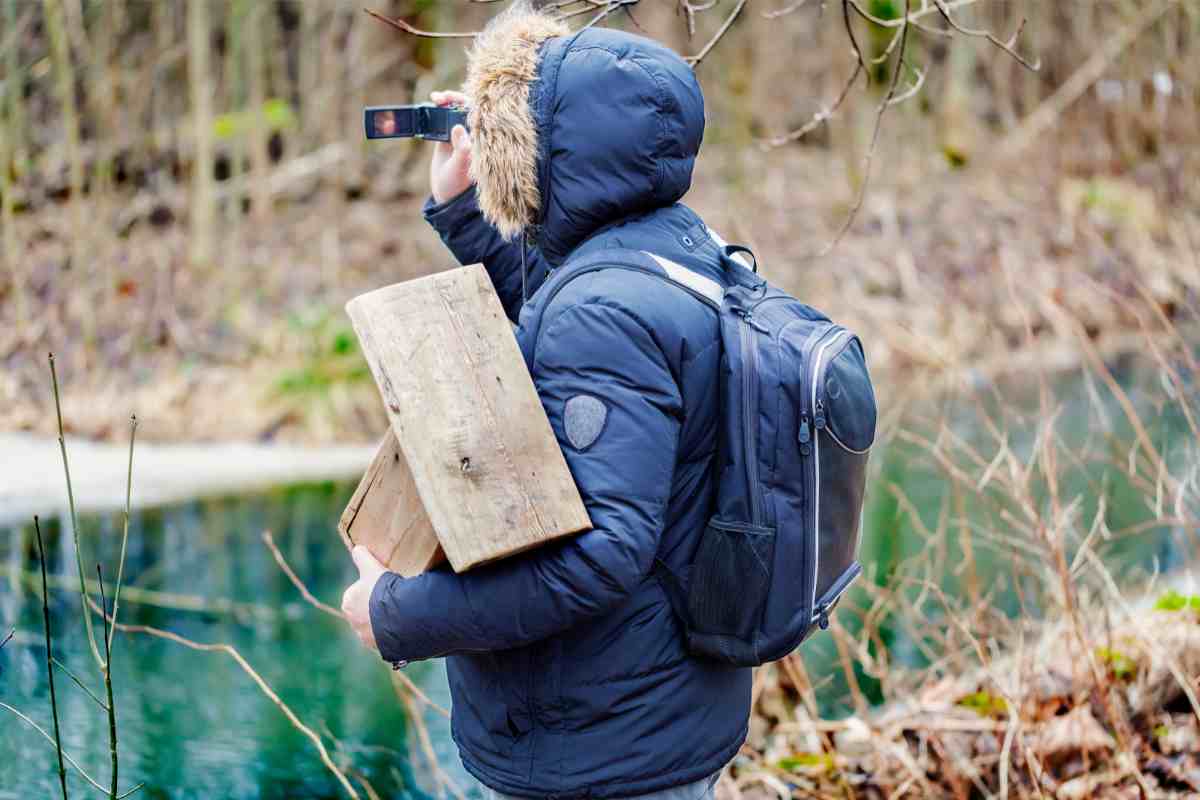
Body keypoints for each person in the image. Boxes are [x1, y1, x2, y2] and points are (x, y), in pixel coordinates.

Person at [341, 5, 750, 798]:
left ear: (547, 151)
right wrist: (466, 210)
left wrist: (397, 615)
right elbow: (564, 318)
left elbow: (595, 559)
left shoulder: (604, 313)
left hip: (598, 755)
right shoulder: (669, 248)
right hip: (651, 714)